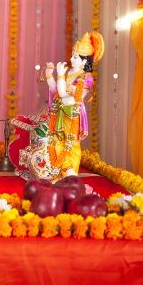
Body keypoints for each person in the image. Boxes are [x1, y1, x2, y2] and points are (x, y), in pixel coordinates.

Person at [42, 31, 104, 178]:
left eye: (75, 57)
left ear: (84, 61)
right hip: (60, 111)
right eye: (72, 55)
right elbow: (55, 89)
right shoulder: (70, 72)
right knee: (56, 141)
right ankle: (57, 172)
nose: (71, 59)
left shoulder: (86, 78)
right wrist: (50, 74)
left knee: (70, 145)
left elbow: (64, 94)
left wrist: (61, 75)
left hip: (72, 114)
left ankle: (70, 175)